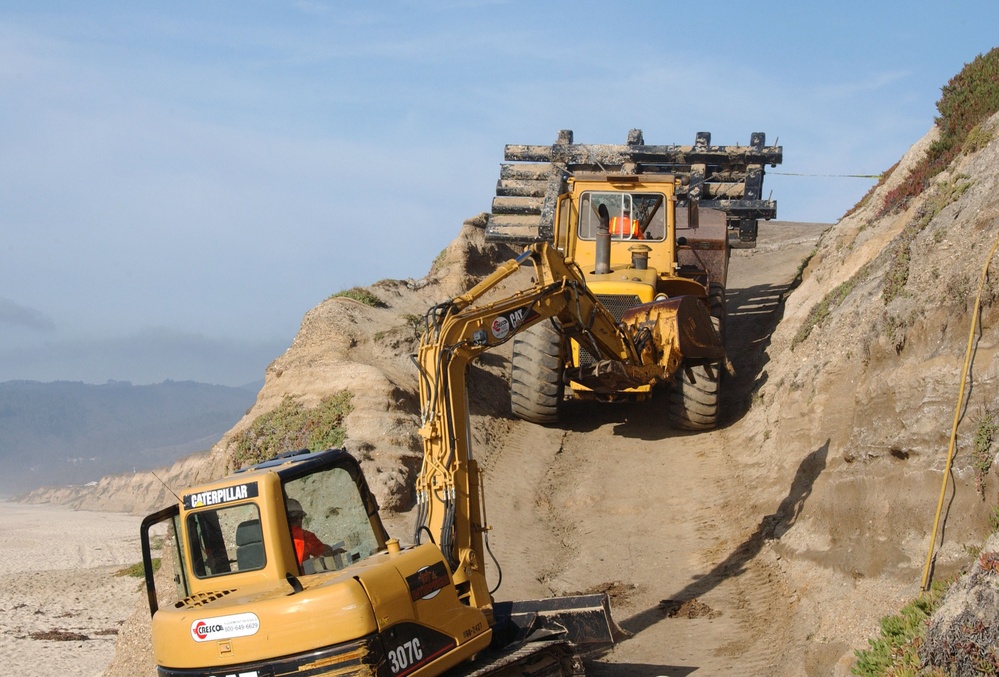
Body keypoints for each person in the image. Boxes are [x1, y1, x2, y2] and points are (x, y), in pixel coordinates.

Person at [286, 498, 334, 565]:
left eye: (301, 517)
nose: (299, 521)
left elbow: (322, 550)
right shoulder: (305, 537)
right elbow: (324, 551)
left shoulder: (306, 537)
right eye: (294, 518)